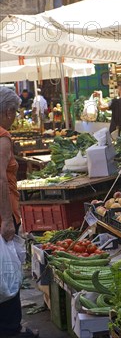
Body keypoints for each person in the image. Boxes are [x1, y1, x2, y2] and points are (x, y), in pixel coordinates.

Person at [0, 87, 38, 338]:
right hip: (3, 212)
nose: (15, 116)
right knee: (8, 271)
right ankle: (11, 330)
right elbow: (0, 179)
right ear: (6, 110)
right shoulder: (3, 136)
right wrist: (6, 220)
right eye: (14, 111)